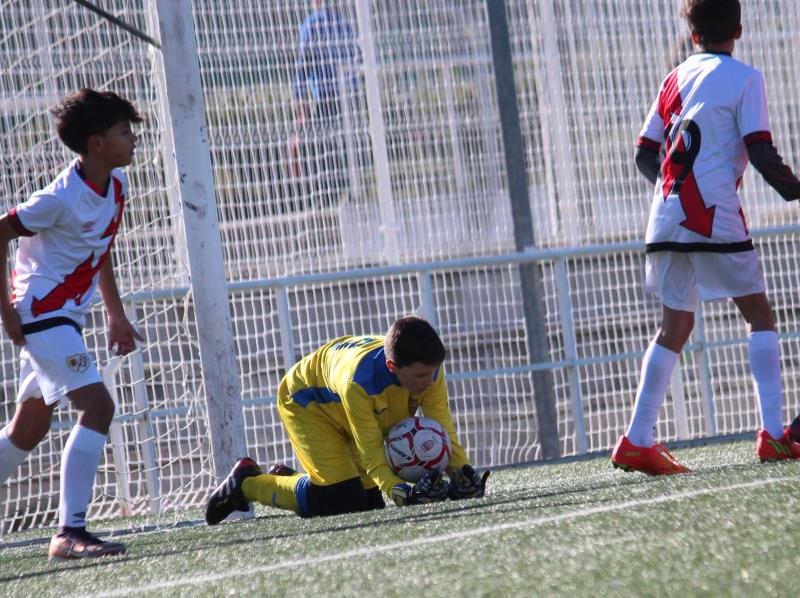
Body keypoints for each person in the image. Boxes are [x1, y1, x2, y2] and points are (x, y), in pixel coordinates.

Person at [612, 0, 800, 475]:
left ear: (691, 32)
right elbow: (760, 151)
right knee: (758, 314)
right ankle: (773, 435)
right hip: (711, 211)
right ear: (738, 27)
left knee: (675, 325)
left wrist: (674, 194)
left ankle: (637, 440)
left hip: (665, 214)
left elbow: (643, 154)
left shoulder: (674, 79)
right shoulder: (745, 78)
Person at [0, 88, 143, 559]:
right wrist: (6, 311)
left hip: (63, 319)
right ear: (97, 143)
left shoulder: (115, 188)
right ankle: (69, 531)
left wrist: (115, 315)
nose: (133, 138)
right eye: (125, 132)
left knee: (27, 430)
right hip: (43, 315)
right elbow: (1, 229)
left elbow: (97, 249)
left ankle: (70, 530)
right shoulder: (58, 197)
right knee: (99, 407)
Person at [205, 316, 489, 523]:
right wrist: (401, 493)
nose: (430, 381)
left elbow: (443, 429)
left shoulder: (429, 372)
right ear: (392, 367)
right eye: (420, 376)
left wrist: (462, 472)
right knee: (342, 500)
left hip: (343, 405)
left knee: (368, 507)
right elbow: (372, 453)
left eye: (433, 373)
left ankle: (295, 480)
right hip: (307, 403)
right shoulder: (358, 383)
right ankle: (246, 484)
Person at [288, 0, 360, 209]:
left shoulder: (313, 25)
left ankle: (326, 196)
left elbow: (303, 67)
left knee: (323, 145)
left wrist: (300, 101)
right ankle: (351, 191)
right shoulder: (345, 25)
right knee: (347, 142)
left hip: (327, 94)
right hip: (351, 94)